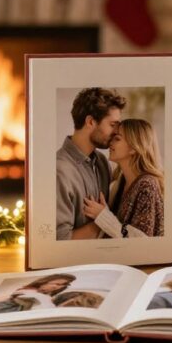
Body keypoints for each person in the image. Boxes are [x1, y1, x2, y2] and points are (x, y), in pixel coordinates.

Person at [56, 88, 126, 240]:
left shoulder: (102, 162)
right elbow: (61, 240)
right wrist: (103, 220)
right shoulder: (59, 170)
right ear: (90, 122)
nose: (117, 132)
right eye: (113, 124)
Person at [81, 119, 165, 238]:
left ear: (134, 148)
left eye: (117, 138)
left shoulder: (147, 185)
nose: (111, 142)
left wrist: (103, 216)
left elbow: (142, 243)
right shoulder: (119, 183)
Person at [0, 274, 75, 315]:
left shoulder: (43, 296)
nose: (58, 287)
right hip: (3, 307)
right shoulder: (30, 290)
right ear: (46, 281)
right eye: (57, 284)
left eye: (62, 286)